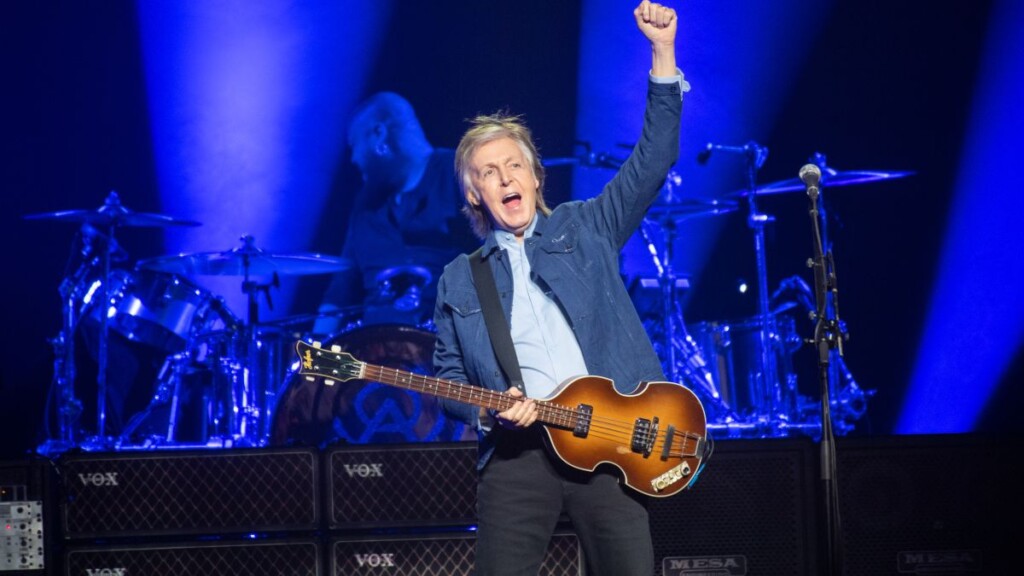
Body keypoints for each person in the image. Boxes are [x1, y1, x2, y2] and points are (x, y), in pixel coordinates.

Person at [432, 2, 687, 574]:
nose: (505, 178)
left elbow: (652, 161)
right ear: (474, 195)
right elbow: (449, 379)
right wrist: (489, 412)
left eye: (513, 166)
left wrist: (662, 52)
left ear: (534, 176)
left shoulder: (585, 227)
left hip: (609, 443)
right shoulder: (459, 278)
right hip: (518, 457)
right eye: (488, 173)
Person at [313, 91, 478, 336]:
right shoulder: (365, 203)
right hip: (373, 349)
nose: (354, 159)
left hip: (450, 344)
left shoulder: (460, 174)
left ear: (378, 134)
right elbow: (341, 288)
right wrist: (313, 347)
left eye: (355, 145)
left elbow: (502, 264)